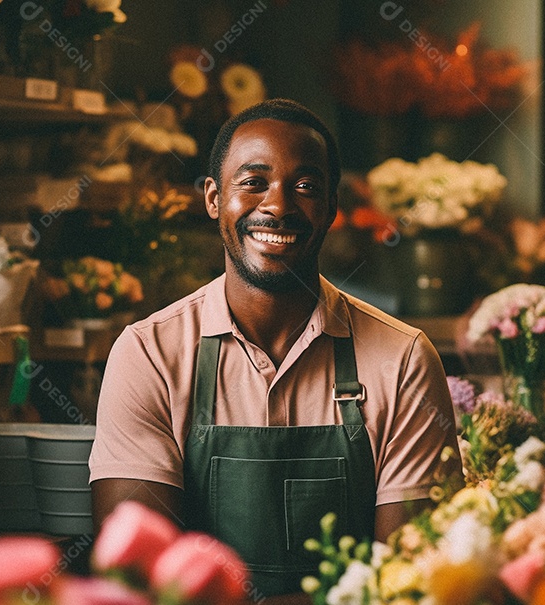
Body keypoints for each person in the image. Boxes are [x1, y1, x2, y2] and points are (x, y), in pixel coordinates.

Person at [89, 99, 460, 599]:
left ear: (331, 209)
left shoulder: (404, 360)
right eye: (254, 182)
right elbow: (141, 578)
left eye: (305, 187)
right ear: (214, 198)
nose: (279, 206)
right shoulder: (149, 354)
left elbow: (408, 582)